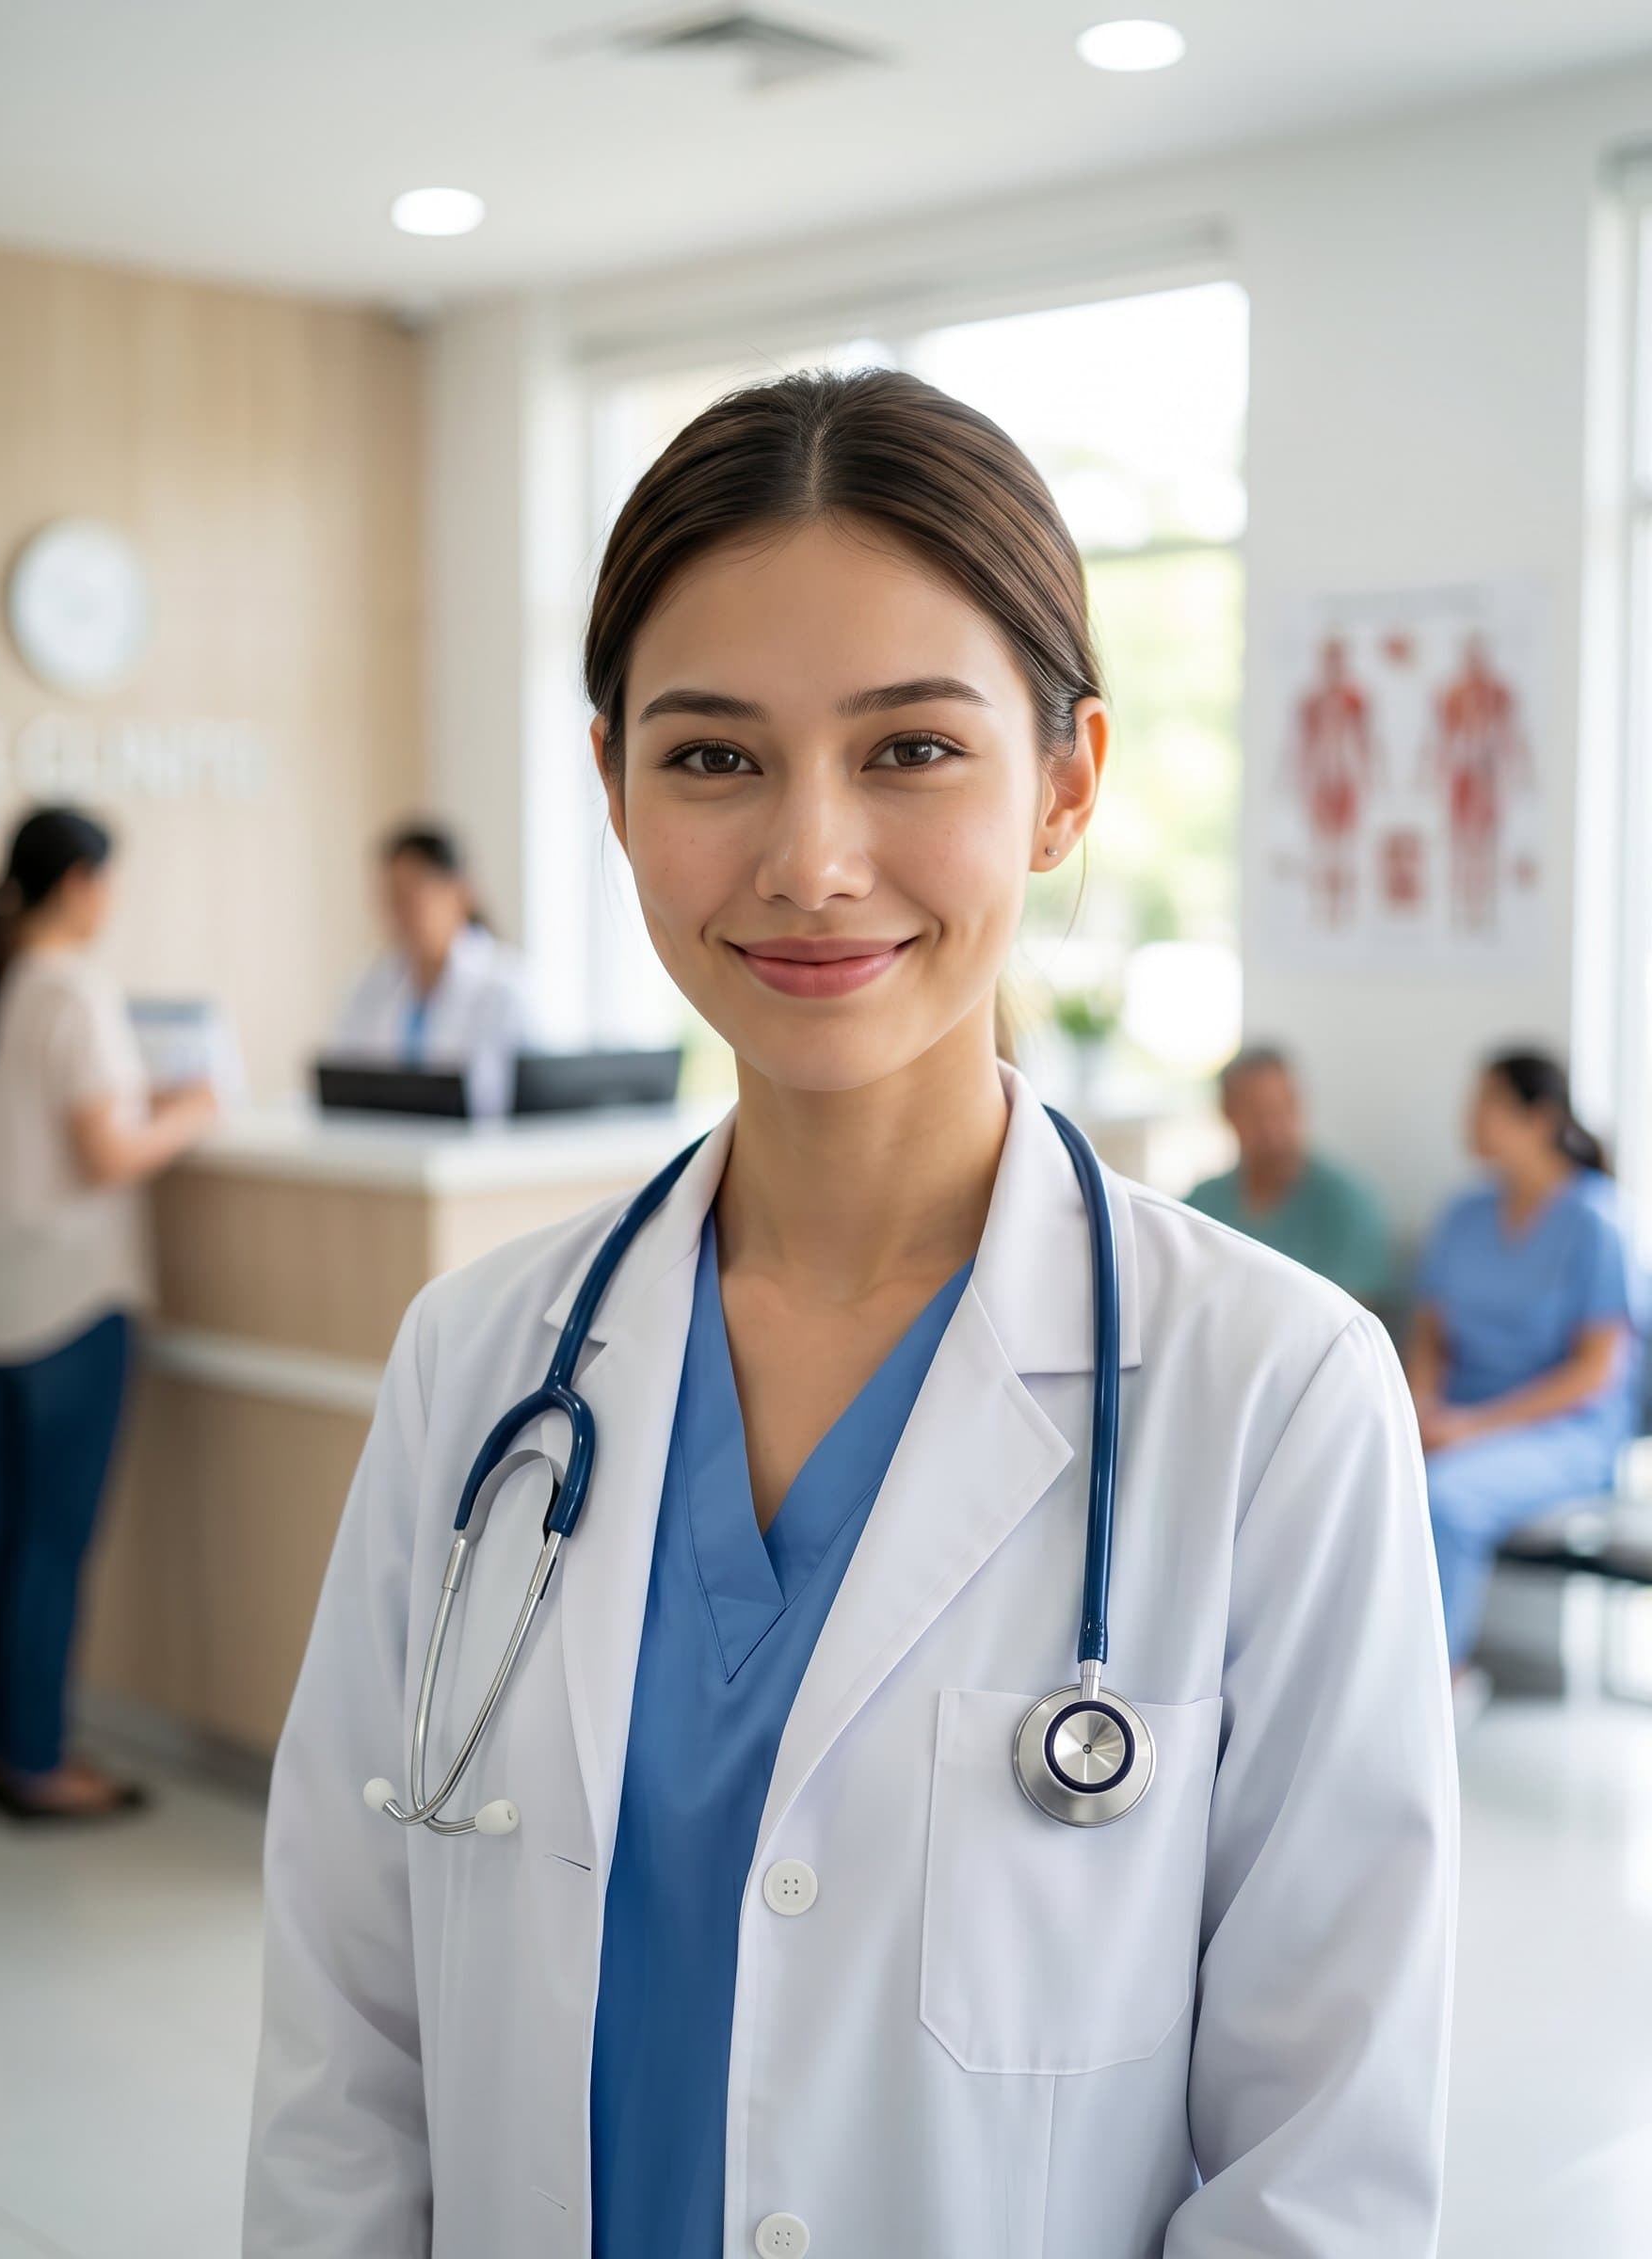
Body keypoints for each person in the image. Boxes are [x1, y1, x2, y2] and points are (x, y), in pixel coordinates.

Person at [246, 371, 1455, 2257]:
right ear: (612, 787)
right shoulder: (476, 1370)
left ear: (1064, 785)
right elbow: (346, 2057)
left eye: (907, 750)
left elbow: (1320, 2161)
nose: (808, 859)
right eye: (713, 756)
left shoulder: (1273, 1395)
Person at [0, 808, 217, 1820]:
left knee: (7, 1534)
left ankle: (5, 1751)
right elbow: (105, 1155)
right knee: (50, 1541)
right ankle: (40, 1765)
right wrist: (194, 1112)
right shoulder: (71, 989)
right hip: (72, 1302)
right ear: (79, 882)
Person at [1408, 1049, 1642, 1687]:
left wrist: (1473, 1427)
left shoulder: (1596, 1222)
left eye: (1487, 1104)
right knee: (1360, 1470)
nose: (1470, 1119)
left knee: (1445, 1497)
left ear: (1539, 1119)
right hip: (1460, 1421)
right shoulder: (1464, 1214)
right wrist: (1420, 1408)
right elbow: (1432, 1335)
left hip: (1566, 1433)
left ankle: (1435, 1683)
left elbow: (1594, 1373)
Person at [330, 822, 540, 1115]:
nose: (399, 912)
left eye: (412, 895)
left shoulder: (506, 987)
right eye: (392, 896)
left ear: (460, 893)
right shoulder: (369, 986)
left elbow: (510, 1104)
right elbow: (341, 1085)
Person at [1186, 1044, 1393, 1306]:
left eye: (1283, 1110)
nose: (1272, 1131)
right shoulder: (1202, 1205)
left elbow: (1346, 1322)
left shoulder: (1346, 1204)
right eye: (1256, 1115)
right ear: (1227, 1113)